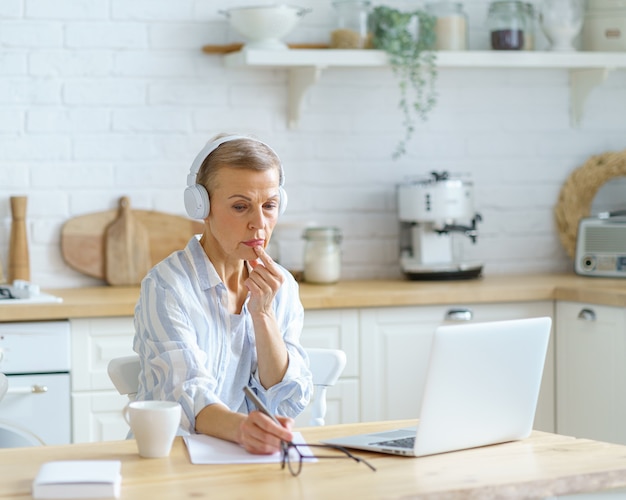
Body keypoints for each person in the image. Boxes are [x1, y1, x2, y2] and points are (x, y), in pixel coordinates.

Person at [133, 134, 312, 455]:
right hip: (174, 457)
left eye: (269, 206)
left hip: (250, 456)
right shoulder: (167, 285)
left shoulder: (281, 285)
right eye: (241, 207)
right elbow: (184, 395)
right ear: (201, 207)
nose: (259, 224)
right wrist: (243, 429)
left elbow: (282, 399)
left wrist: (263, 314)